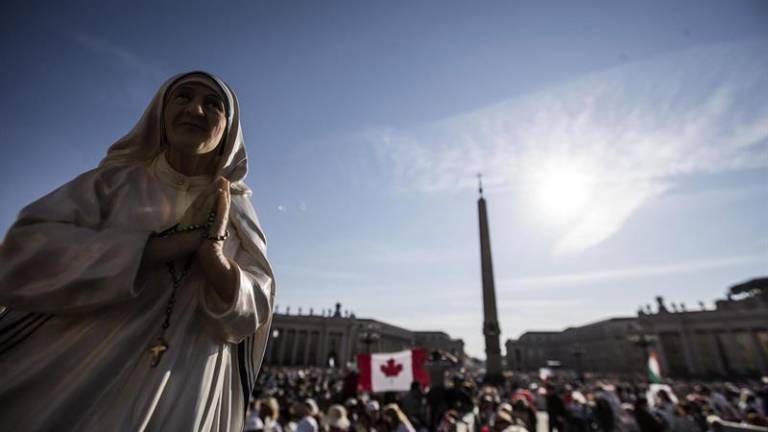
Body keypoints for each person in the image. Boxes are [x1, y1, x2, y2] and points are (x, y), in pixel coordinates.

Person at [0, 71, 275, 431]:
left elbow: (252, 312)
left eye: (213, 104)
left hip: (185, 382)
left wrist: (215, 258)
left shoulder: (237, 211)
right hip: (84, 368)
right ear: (160, 113)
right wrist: (157, 248)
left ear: (229, 128)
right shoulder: (112, 184)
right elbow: (22, 254)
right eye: (183, 97)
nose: (195, 109)